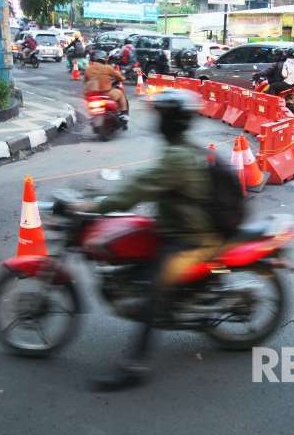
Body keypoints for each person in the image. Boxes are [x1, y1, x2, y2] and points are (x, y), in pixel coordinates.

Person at [77, 90, 222, 391]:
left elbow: (139, 188)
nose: (157, 121)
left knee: (153, 296)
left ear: (172, 121)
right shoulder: (177, 148)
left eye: (162, 116)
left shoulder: (178, 156)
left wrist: (97, 206)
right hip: (173, 227)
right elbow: (146, 178)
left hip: (190, 238)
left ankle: (134, 367)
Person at [84, 50, 129, 124]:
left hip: (92, 97)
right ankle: (124, 114)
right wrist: (122, 78)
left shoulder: (88, 69)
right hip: (107, 94)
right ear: (104, 59)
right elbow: (119, 78)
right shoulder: (107, 68)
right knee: (121, 93)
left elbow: (85, 82)